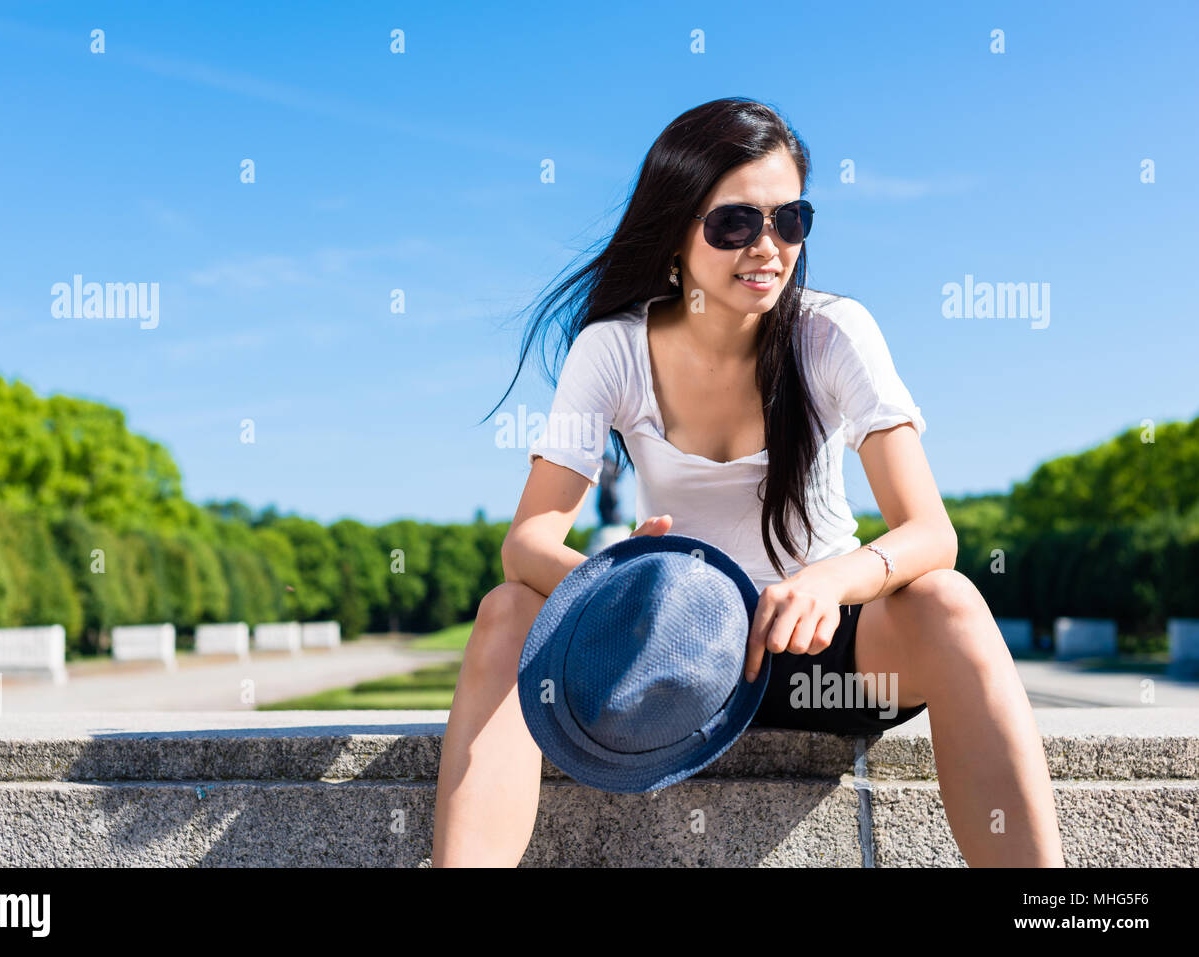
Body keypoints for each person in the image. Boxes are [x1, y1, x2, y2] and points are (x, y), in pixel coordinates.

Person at [432, 97, 1064, 868]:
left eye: (789, 220)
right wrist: (623, 588)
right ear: (673, 235)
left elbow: (932, 533)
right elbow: (526, 544)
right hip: (670, 663)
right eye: (734, 223)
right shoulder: (612, 351)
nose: (767, 246)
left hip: (828, 658)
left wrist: (830, 582)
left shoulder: (833, 332)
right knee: (505, 613)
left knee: (952, 599)